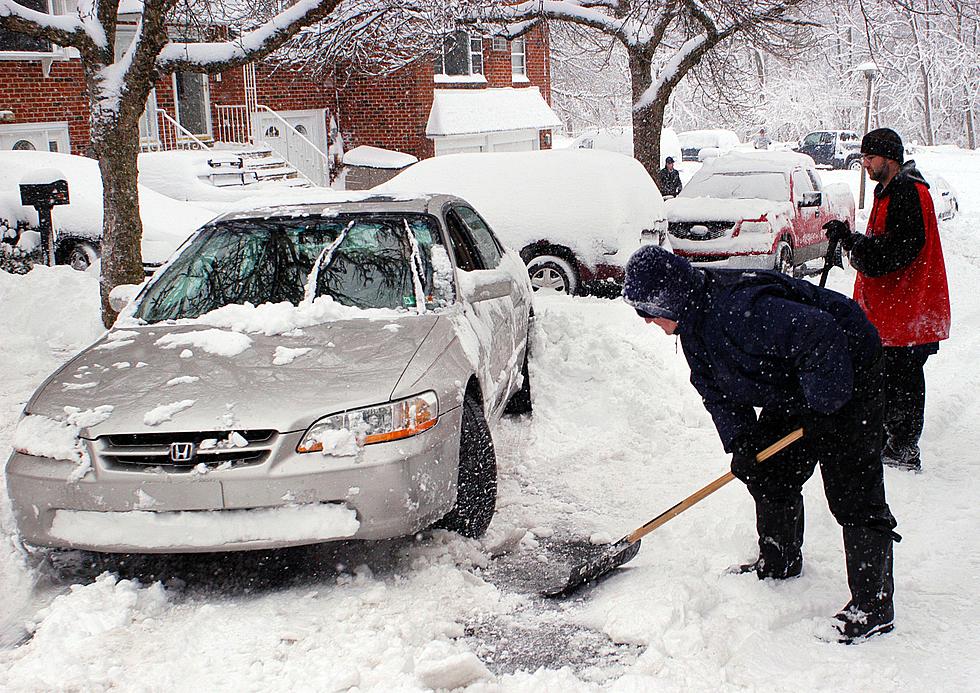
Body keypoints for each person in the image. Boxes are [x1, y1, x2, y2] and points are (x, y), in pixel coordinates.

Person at [622, 244, 900, 644]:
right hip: (796, 384)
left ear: (668, 300)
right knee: (769, 468)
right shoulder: (695, 327)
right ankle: (780, 558)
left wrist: (825, 407)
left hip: (848, 371)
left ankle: (873, 605)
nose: (647, 322)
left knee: (852, 490)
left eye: (647, 312)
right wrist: (742, 440)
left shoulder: (740, 310)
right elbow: (714, 391)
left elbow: (822, 335)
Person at [823, 127, 950, 473]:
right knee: (889, 378)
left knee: (902, 380)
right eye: (863, 156)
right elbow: (884, 244)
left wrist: (853, 244)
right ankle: (887, 441)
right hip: (896, 311)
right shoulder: (890, 190)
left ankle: (902, 448)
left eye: (870, 157)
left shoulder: (908, 192)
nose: (864, 163)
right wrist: (852, 239)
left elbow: (893, 253)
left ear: (890, 158)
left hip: (907, 310)